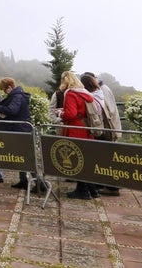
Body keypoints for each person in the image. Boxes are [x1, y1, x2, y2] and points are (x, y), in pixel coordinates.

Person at [58, 71, 99, 200]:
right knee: (86, 159)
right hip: (87, 128)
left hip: (76, 129)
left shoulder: (71, 94)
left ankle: (82, 191)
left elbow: (71, 114)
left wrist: (60, 114)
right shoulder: (85, 94)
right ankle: (93, 190)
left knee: (78, 159)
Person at [0, 77, 33, 189]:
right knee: (23, 156)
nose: (4, 92)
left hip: (20, 130)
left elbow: (12, 110)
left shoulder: (17, 96)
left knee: (25, 157)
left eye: (4, 89)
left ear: (9, 87)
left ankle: (39, 183)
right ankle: (24, 180)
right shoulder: (18, 95)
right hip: (21, 129)